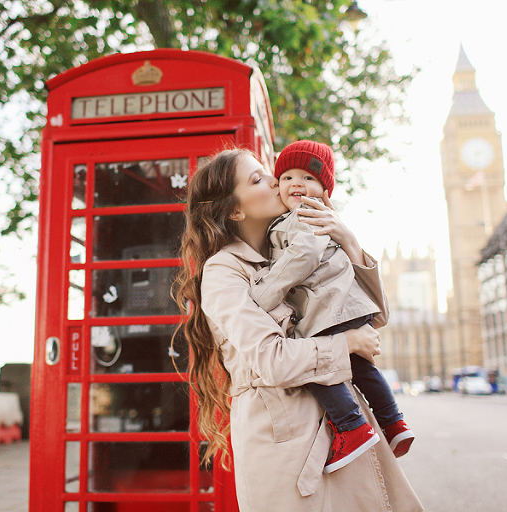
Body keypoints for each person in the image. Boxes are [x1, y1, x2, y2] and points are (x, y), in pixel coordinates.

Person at [173, 148, 422, 512]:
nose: (277, 181)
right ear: (235, 210)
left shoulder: (293, 246)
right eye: (258, 179)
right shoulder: (223, 271)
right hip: (287, 449)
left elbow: (374, 316)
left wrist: (349, 241)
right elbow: (273, 360)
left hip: (339, 429)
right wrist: (348, 342)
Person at [248, 140, 414, 473]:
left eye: (308, 179)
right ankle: (393, 422)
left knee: (315, 367)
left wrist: (260, 296)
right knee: (363, 368)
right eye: (287, 177)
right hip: (350, 306)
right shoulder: (321, 218)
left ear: (324, 191)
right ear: (277, 185)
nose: (297, 184)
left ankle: (350, 427)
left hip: (327, 309)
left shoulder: (306, 215)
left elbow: (301, 258)